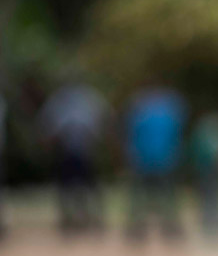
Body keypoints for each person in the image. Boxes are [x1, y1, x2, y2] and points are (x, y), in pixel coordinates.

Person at [39, 82, 110, 235]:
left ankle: (88, 217)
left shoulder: (86, 99)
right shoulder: (62, 100)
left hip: (83, 151)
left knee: (85, 187)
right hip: (69, 151)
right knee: (69, 188)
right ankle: (71, 219)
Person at [124, 86, 187, 242]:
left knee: (140, 198)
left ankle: (137, 229)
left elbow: (130, 135)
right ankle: (171, 229)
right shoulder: (170, 110)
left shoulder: (139, 110)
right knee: (168, 196)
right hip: (165, 160)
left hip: (143, 160)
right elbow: (177, 135)